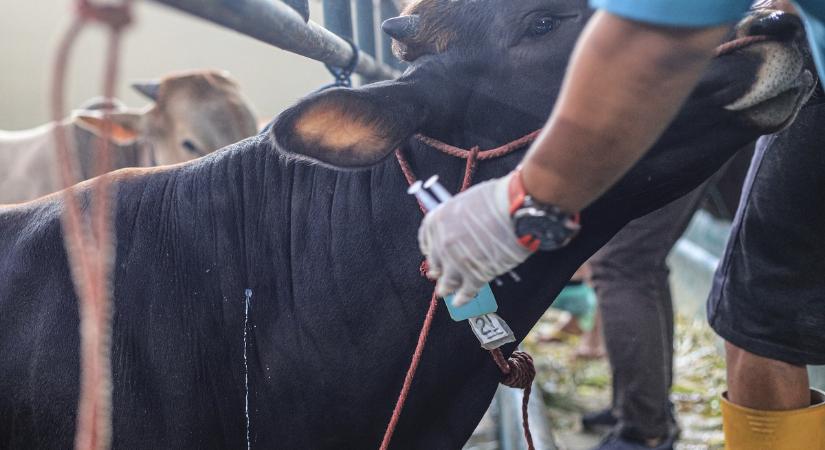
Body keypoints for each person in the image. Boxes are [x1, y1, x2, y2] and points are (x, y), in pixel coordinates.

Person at [417, 1, 825, 449]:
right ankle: (641, 416)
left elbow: (647, 35)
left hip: (733, 80)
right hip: (783, 59)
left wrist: (522, 197)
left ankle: (643, 429)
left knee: (752, 320)